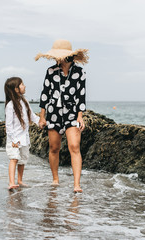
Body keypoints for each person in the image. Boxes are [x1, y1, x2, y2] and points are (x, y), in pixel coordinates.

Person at [35, 39, 89, 193]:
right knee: (54, 148)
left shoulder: (79, 72)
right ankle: (55, 179)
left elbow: (81, 95)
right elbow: (45, 94)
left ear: (67, 56)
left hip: (72, 113)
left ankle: (77, 184)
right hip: (53, 113)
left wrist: (80, 116)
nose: (56, 58)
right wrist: (42, 116)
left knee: (74, 146)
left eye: (58, 55)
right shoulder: (51, 71)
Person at [4, 77, 40, 190]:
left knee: (23, 159)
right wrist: (14, 140)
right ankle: (11, 182)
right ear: (16, 89)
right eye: (22, 84)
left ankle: (19, 180)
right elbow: (8, 126)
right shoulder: (10, 105)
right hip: (14, 138)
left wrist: (41, 122)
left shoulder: (24, 102)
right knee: (14, 158)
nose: (24, 86)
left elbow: (32, 116)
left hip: (24, 137)